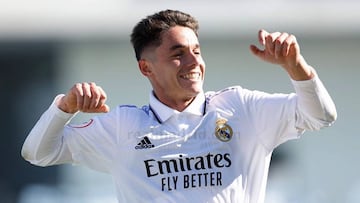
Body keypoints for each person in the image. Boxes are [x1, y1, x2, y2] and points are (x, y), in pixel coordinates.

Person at [21, 9, 337, 203]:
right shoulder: (123, 126)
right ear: (147, 68)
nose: (193, 62)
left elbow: (320, 115)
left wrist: (296, 66)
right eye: (178, 54)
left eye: (197, 51)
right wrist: (65, 107)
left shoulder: (241, 108)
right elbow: (38, 153)